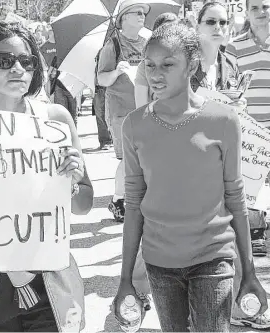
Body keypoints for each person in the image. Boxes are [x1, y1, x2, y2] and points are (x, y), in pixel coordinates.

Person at [114, 22, 268, 332]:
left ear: (192, 64)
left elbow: (235, 198)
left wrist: (249, 272)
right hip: (160, 262)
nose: (156, 74)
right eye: (150, 64)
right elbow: (134, 205)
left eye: (168, 64)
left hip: (214, 256)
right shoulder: (134, 125)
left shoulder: (223, 120)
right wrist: (126, 278)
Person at [0, 22, 94, 332]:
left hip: (48, 281)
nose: (17, 68)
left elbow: (83, 205)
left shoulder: (55, 120)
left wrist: (74, 178)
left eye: (26, 61)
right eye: (3, 60)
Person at [97, 0, 149, 223]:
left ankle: (139, 198)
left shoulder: (147, 43)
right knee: (128, 158)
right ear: (123, 18)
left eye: (143, 13)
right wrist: (117, 72)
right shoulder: (113, 45)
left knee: (143, 156)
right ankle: (118, 200)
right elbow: (101, 79)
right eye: (136, 12)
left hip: (144, 108)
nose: (142, 16)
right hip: (120, 111)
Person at [226, 0, 270, 260]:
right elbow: (229, 84)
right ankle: (256, 234)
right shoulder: (235, 47)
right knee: (252, 184)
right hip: (250, 129)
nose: (262, 12)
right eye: (256, 8)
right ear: (247, 12)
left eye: (266, 6)